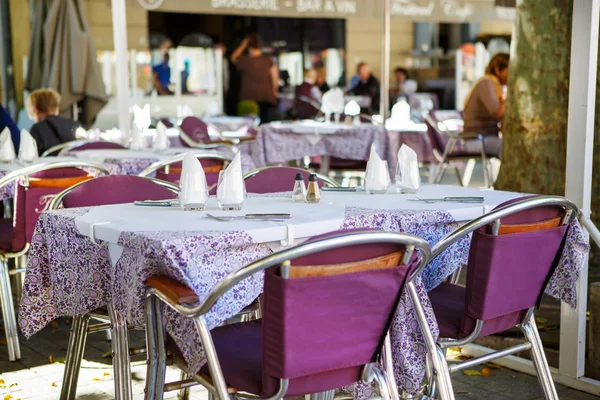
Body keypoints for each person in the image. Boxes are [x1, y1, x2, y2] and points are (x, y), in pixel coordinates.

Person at [462, 52, 509, 159]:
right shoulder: (486, 83)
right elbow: (497, 112)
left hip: (483, 138)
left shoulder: (495, 86)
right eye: (509, 70)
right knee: (507, 147)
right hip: (476, 140)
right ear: (497, 70)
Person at [231, 33, 279, 123]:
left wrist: (242, 45)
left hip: (249, 97)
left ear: (248, 47)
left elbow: (233, 58)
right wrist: (274, 92)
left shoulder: (246, 60)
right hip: (266, 97)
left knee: (249, 126)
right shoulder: (268, 60)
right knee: (265, 124)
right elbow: (275, 78)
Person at [28, 89, 79, 156]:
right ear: (56, 107)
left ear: (35, 109)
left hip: (49, 165)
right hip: (72, 164)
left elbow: (30, 157)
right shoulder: (73, 124)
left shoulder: (37, 129)